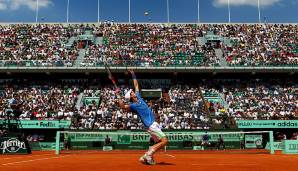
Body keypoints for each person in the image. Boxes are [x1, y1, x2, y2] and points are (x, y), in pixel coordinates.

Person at [117, 70, 168, 165]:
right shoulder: (133, 105)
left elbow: (136, 85)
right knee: (165, 140)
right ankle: (149, 154)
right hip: (150, 125)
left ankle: (146, 157)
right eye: (131, 92)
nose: (133, 91)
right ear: (131, 96)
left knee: (161, 141)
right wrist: (118, 95)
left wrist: (133, 74)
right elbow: (123, 107)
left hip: (152, 124)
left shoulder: (139, 97)